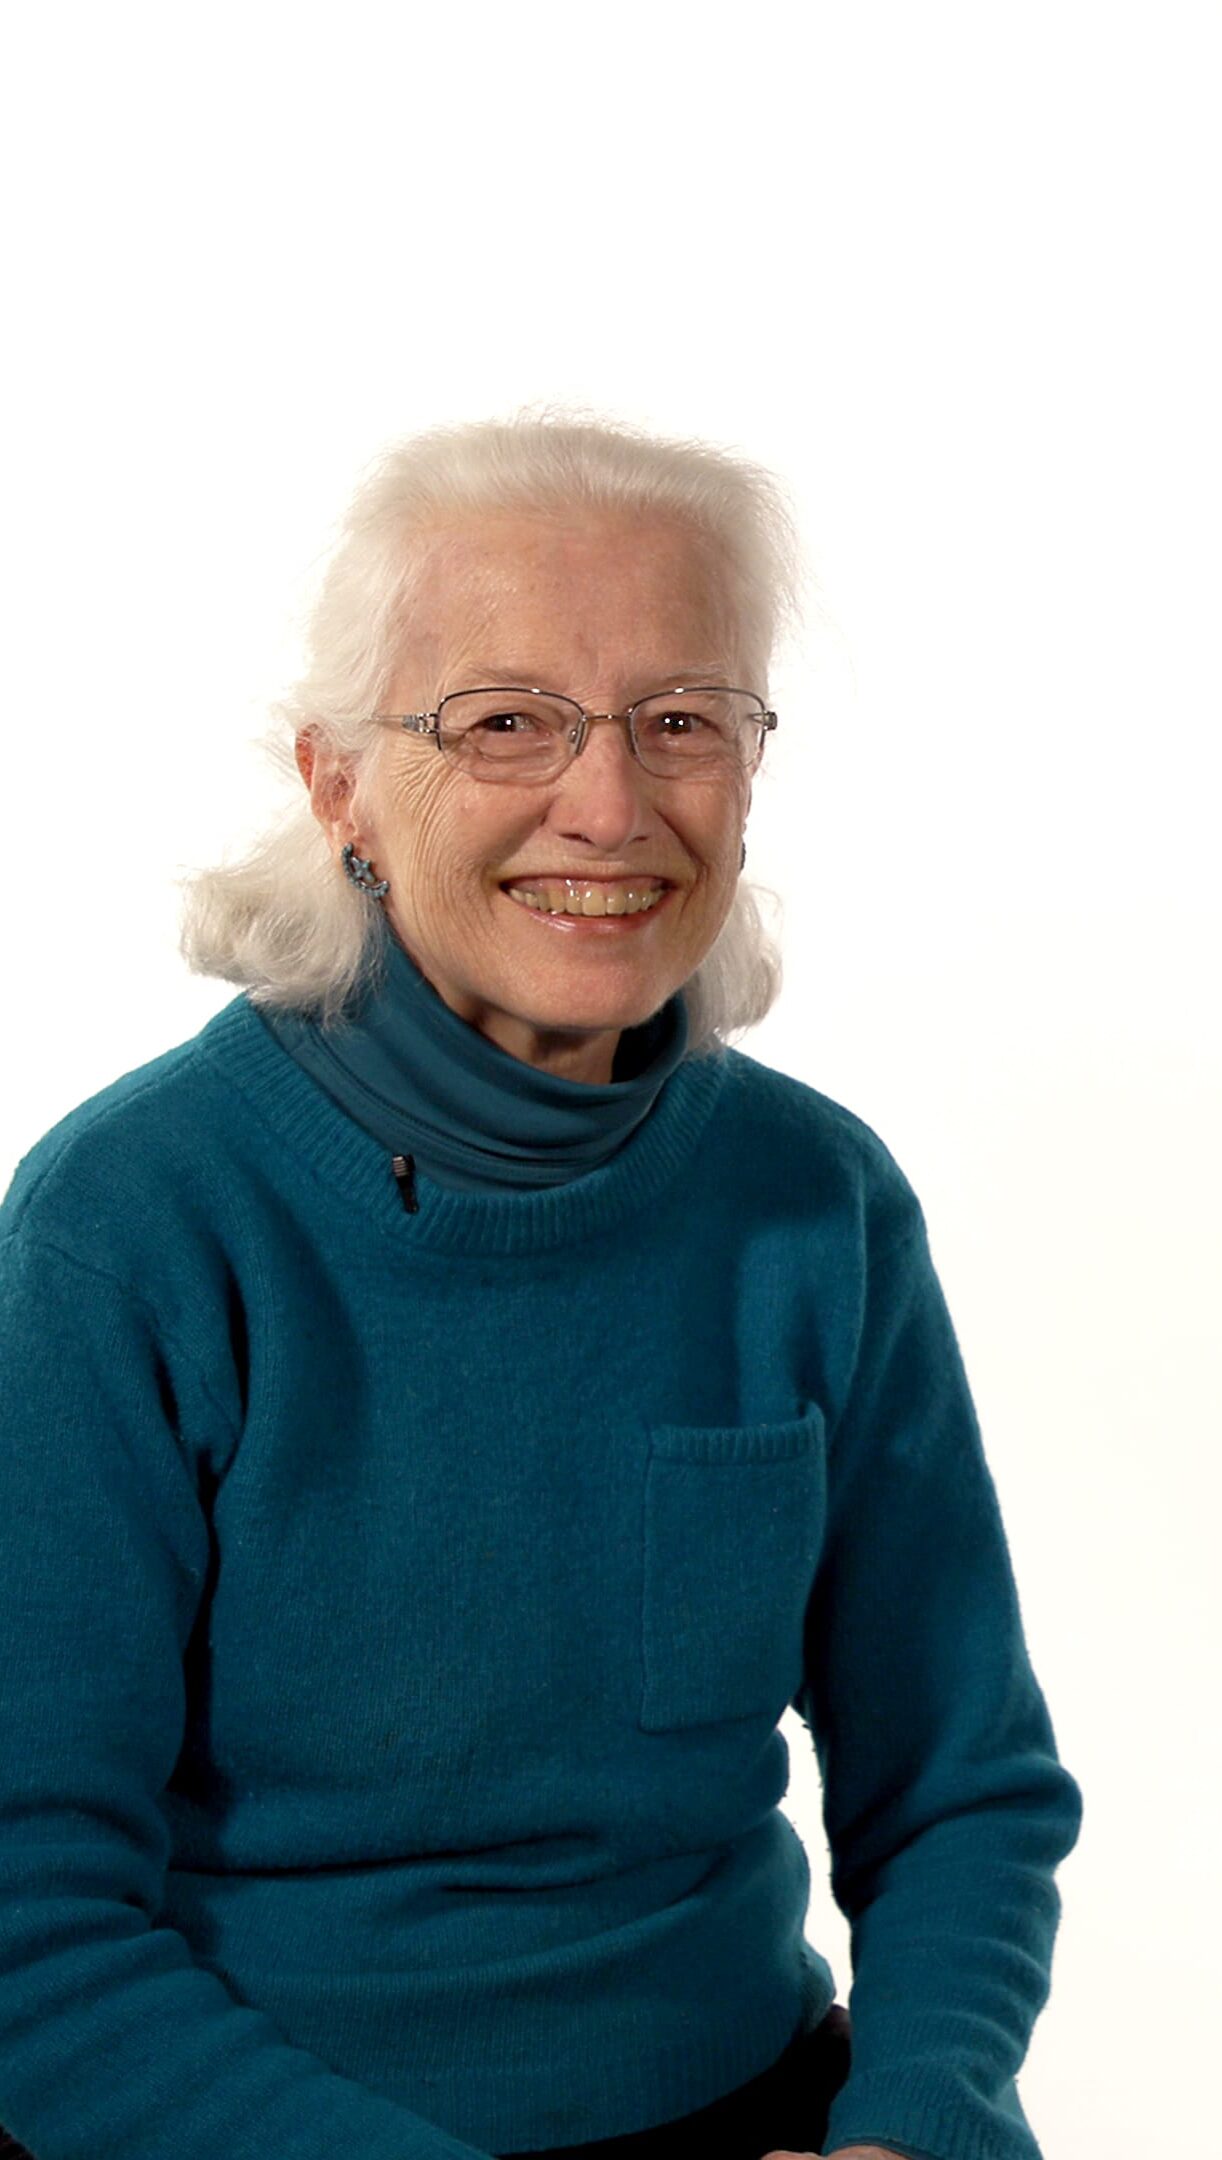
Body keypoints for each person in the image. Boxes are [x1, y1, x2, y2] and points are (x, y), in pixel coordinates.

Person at [0, 419, 1080, 2160]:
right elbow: (23, 1932)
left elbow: (962, 1789)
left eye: (681, 722)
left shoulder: (818, 1204)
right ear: (340, 781)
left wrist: (919, 2123)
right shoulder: (130, 1230)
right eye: (505, 721)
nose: (611, 801)